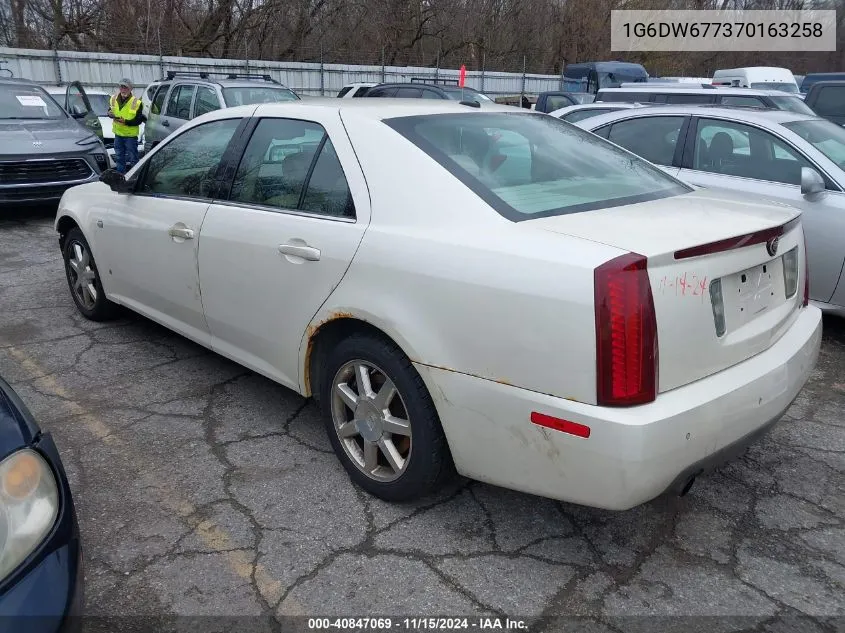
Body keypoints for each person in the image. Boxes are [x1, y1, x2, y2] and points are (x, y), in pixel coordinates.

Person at [108, 78, 145, 173]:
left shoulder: (137, 102)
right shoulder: (113, 99)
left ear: (130, 89)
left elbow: (138, 120)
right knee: (119, 158)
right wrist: (109, 113)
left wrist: (126, 122)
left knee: (133, 159)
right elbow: (110, 110)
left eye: (125, 88)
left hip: (130, 136)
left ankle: (135, 177)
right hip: (118, 135)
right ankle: (121, 177)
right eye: (121, 87)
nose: (123, 90)